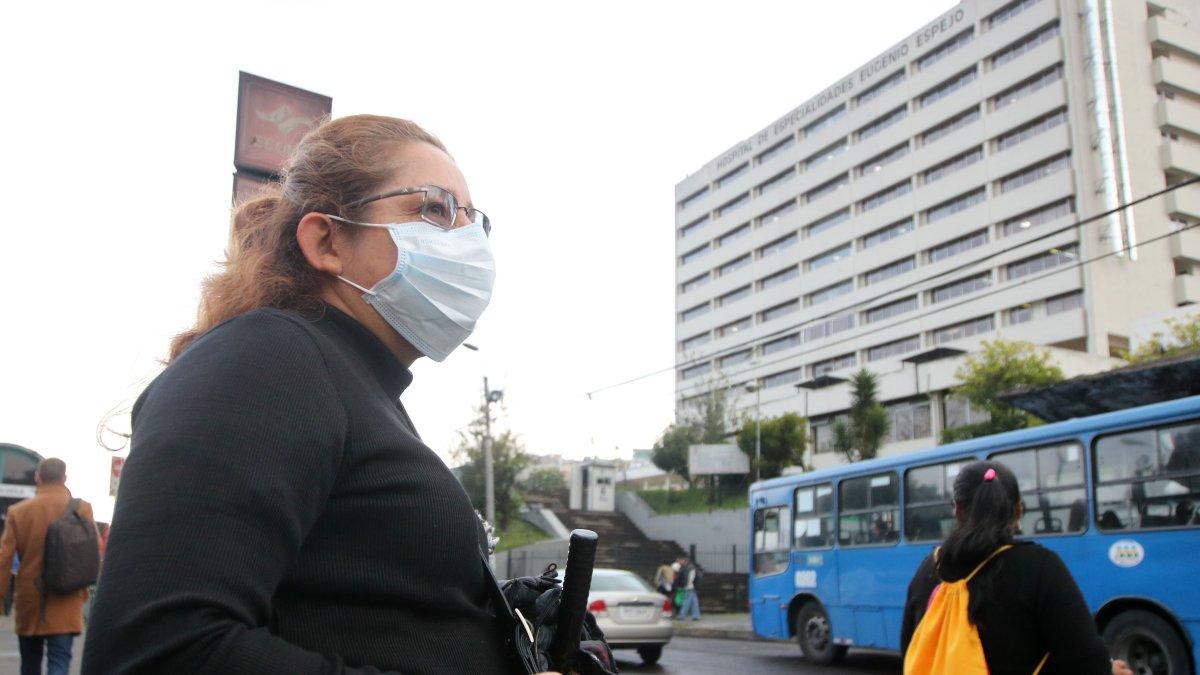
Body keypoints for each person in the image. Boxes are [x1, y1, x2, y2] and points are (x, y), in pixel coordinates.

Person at [82, 115, 560, 675]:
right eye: (434, 208)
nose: (466, 241)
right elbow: (158, 650)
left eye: (473, 221)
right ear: (326, 241)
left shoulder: (353, 383)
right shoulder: (268, 357)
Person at [901, 461, 1132, 675]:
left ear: (957, 510)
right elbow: (1086, 661)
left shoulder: (928, 570)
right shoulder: (1041, 567)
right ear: (1019, 510)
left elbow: (910, 651)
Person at [0, 458, 97, 675]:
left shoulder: (18, 511)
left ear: (38, 477)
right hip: (68, 597)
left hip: (30, 599)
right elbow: (94, 549)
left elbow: (4, 559)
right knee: (59, 662)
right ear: (64, 478)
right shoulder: (82, 509)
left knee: (30, 665)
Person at [675, 556, 701, 622]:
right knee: (694, 602)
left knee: (686, 601)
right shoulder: (690, 567)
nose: (680, 562)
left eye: (681, 561)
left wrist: (687, 586)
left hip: (690, 587)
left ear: (685, 561)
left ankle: (682, 616)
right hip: (693, 587)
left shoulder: (689, 568)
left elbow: (690, 578)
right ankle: (696, 616)